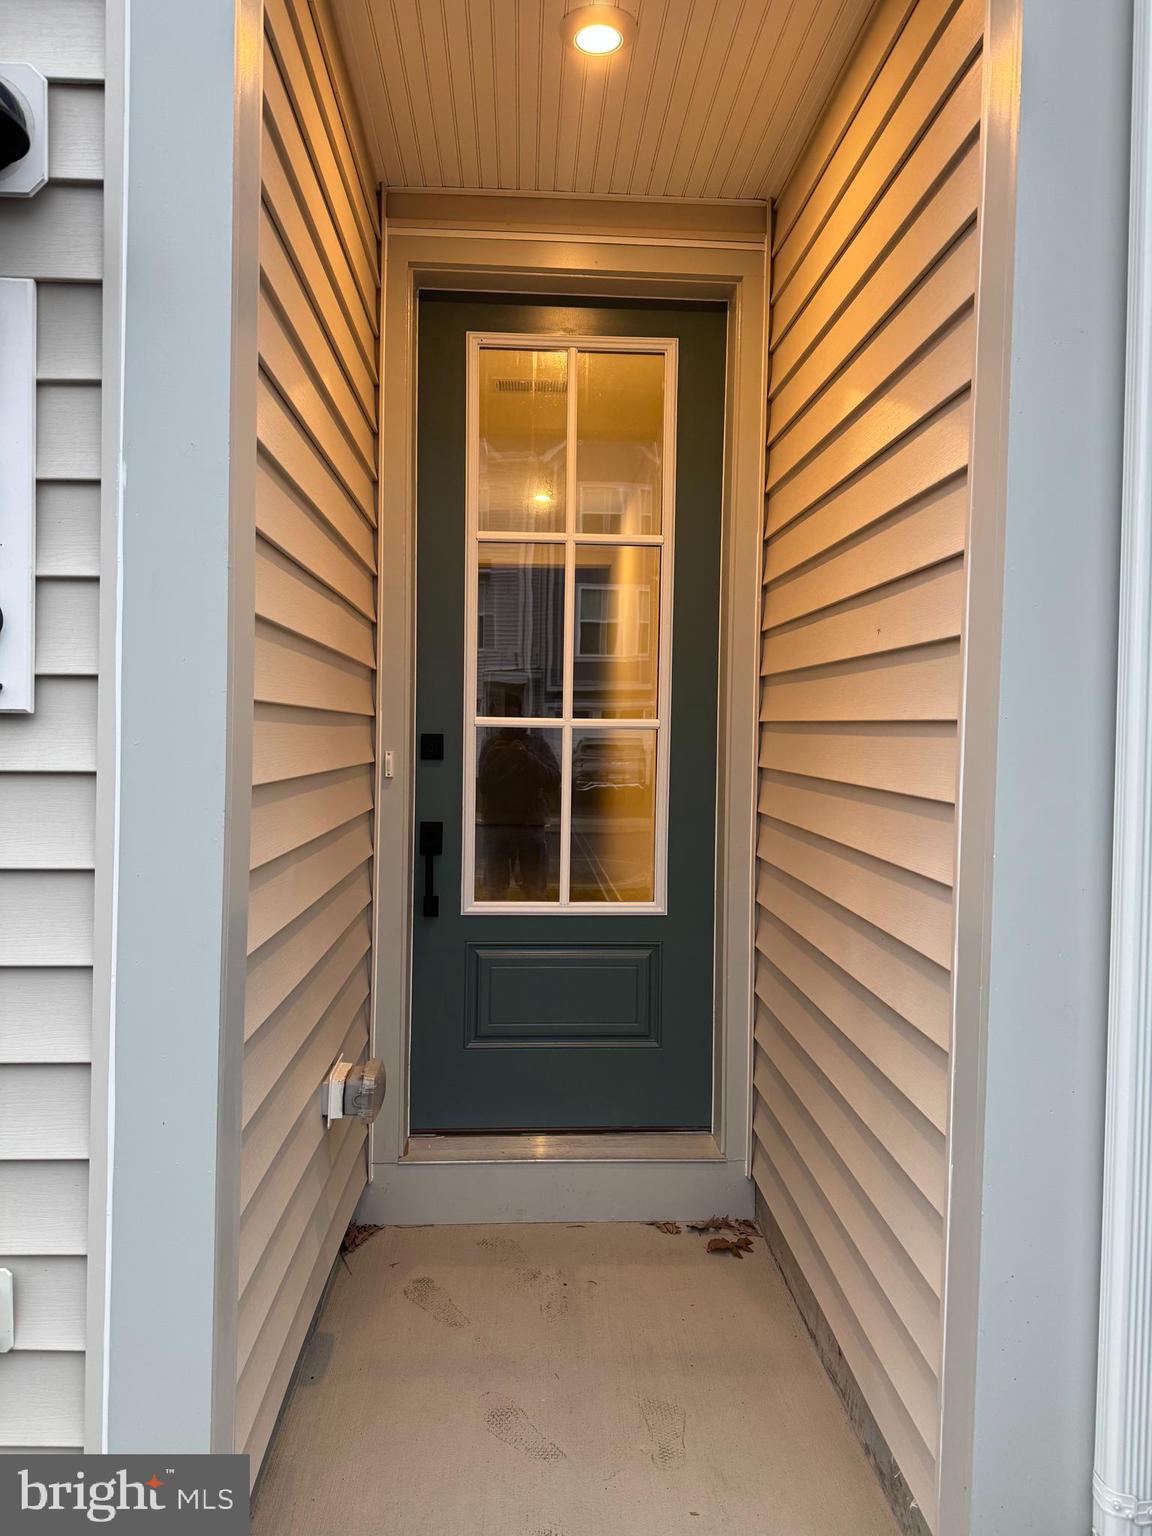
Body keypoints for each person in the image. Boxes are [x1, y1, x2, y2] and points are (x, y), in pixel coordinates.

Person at [477, 706, 560, 899]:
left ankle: (536, 925)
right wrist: (506, 756)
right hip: (499, 825)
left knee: (535, 889)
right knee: (494, 891)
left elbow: (553, 780)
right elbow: (484, 784)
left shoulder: (536, 745)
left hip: (529, 825)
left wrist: (527, 757)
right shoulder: (493, 746)